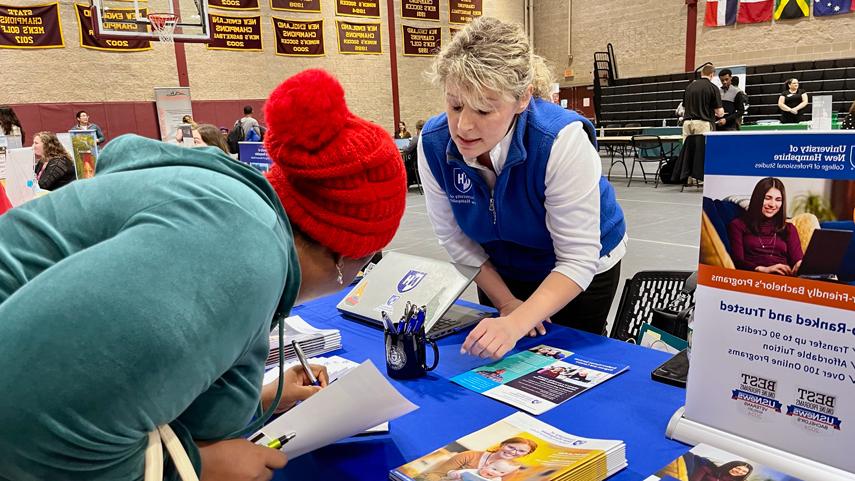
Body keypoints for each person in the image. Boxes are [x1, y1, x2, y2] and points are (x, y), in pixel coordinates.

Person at [0, 69, 407, 480]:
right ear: (342, 256)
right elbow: (23, 420)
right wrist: (198, 468)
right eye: (364, 264)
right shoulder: (243, 248)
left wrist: (266, 399)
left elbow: (136, 368)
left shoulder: (236, 212)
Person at [418, 17, 627, 360]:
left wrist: (516, 324)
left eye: (484, 109)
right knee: (501, 360)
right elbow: (455, 238)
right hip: (500, 266)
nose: (464, 125)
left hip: (581, 267)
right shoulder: (434, 144)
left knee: (567, 363)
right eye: (455, 105)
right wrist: (507, 304)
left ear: (522, 99)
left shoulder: (559, 139)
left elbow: (577, 258)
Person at [727, 177, 803, 276]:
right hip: (753, 278)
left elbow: (797, 260)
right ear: (757, 198)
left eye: (778, 200)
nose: (772, 204)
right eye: (767, 198)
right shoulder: (738, 225)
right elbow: (737, 261)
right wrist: (763, 269)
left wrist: (800, 265)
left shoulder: (789, 228)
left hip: (783, 281)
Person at [417, 437, 538, 481]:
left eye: (521, 451)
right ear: (502, 445)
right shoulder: (470, 455)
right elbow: (434, 475)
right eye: (511, 447)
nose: (513, 452)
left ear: (525, 455)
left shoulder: (512, 470)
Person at [681, 64, 724, 139]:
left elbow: (684, 107)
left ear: (701, 74)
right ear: (712, 74)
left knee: (687, 149)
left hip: (687, 123)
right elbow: (719, 113)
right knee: (702, 149)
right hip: (702, 124)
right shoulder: (713, 88)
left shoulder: (689, 87)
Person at [444, 459, 521, 481]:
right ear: (486, 465)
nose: (495, 472)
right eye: (494, 469)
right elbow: (451, 473)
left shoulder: (496, 479)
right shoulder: (472, 471)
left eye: (502, 472)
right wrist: (453, 474)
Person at [403, 119, 425, 187]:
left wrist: (403, 147)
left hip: (415, 162)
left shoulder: (416, 138)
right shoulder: (428, 137)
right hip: (426, 162)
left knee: (405, 163)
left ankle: (407, 183)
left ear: (417, 129)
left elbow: (407, 150)